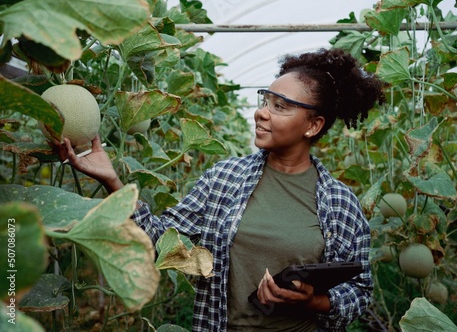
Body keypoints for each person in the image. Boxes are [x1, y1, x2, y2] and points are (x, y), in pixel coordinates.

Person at [55, 48, 385, 331]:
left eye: (280, 106)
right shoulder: (225, 177)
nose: (261, 112)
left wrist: (316, 301)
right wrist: (112, 181)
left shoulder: (340, 202)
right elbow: (162, 242)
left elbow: (360, 291)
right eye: (264, 100)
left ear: (313, 125)